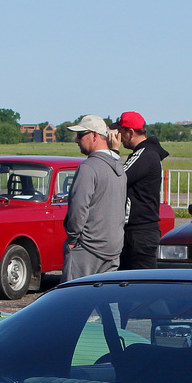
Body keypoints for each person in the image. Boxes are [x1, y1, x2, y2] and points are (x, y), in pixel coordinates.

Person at [61, 115, 126, 282]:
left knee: (73, 299)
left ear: (95, 136)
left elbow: (79, 208)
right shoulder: (119, 168)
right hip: (113, 248)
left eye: (81, 135)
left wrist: (73, 238)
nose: (77, 140)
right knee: (107, 300)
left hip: (88, 248)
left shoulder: (88, 168)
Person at [108, 111, 169, 270]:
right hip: (140, 232)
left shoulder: (145, 154)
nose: (118, 136)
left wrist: (113, 152)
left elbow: (118, 177)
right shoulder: (147, 154)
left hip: (139, 232)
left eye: (120, 131)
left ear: (130, 132)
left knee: (142, 285)